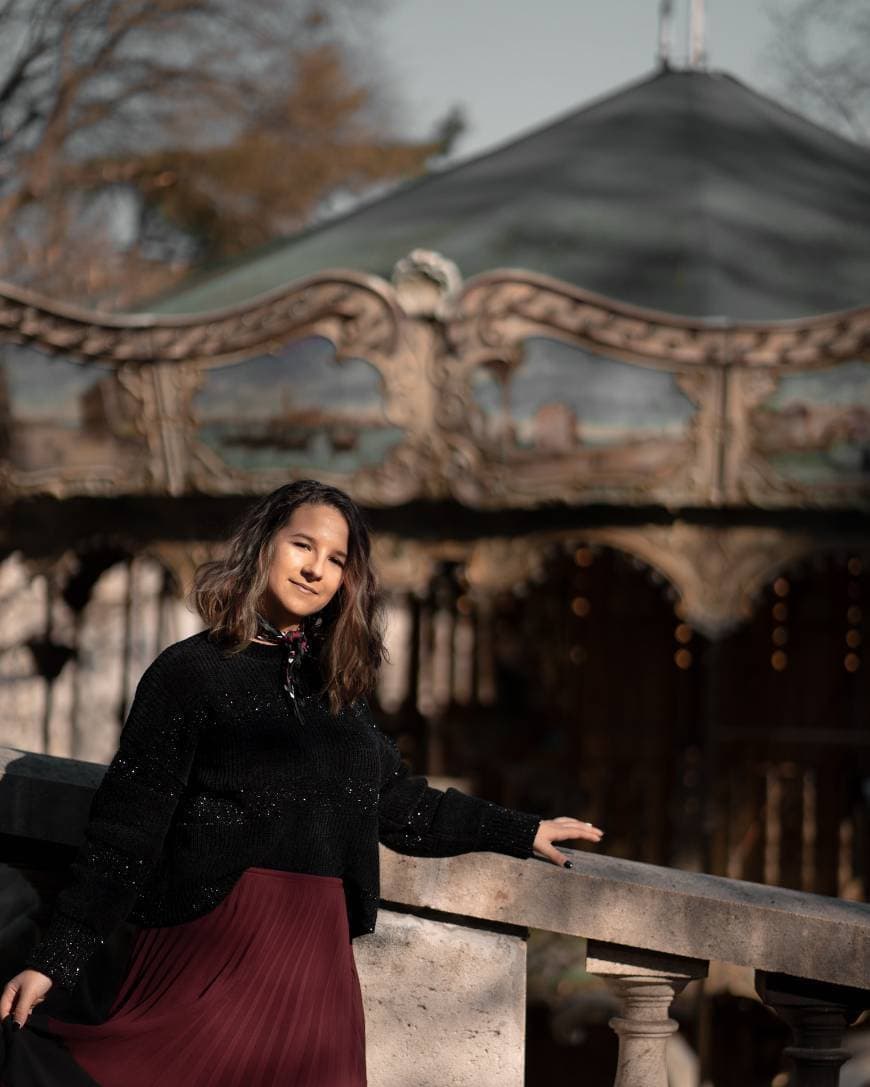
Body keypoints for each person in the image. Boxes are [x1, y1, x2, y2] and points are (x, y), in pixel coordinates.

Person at [0, 479, 603, 1086]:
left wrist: (521, 830)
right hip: (211, 948)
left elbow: (400, 805)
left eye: (336, 559)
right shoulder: (189, 673)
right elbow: (126, 830)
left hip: (317, 963)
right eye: (303, 546)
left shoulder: (333, 690)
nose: (317, 570)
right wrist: (55, 959)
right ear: (264, 546)